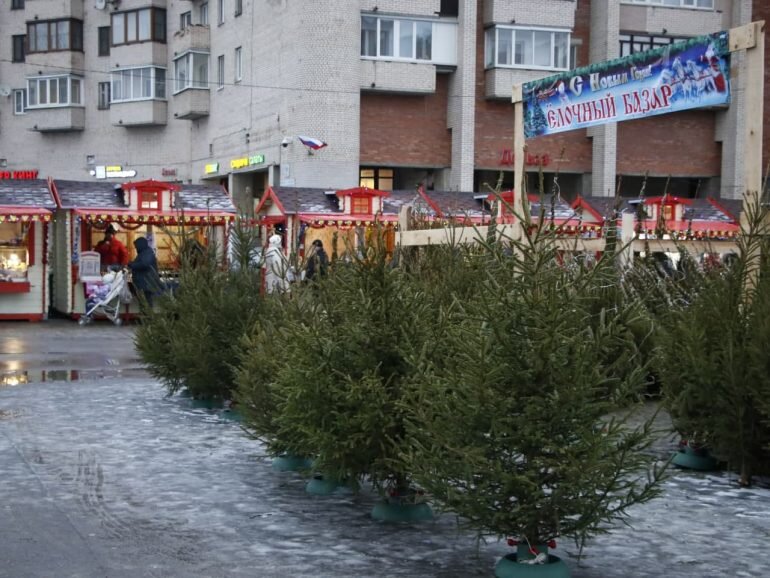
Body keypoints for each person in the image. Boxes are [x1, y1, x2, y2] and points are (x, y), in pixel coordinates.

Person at [128, 236, 162, 306]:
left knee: (147, 305)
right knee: (144, 304)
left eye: (136, 246)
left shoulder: (147, 253)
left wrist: (132, 265)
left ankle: (148, 316)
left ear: (140, 245)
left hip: (146, 284)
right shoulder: (143, 253)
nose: (136, 248)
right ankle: (145, 316)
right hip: (143, 284)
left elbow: (144, 264)